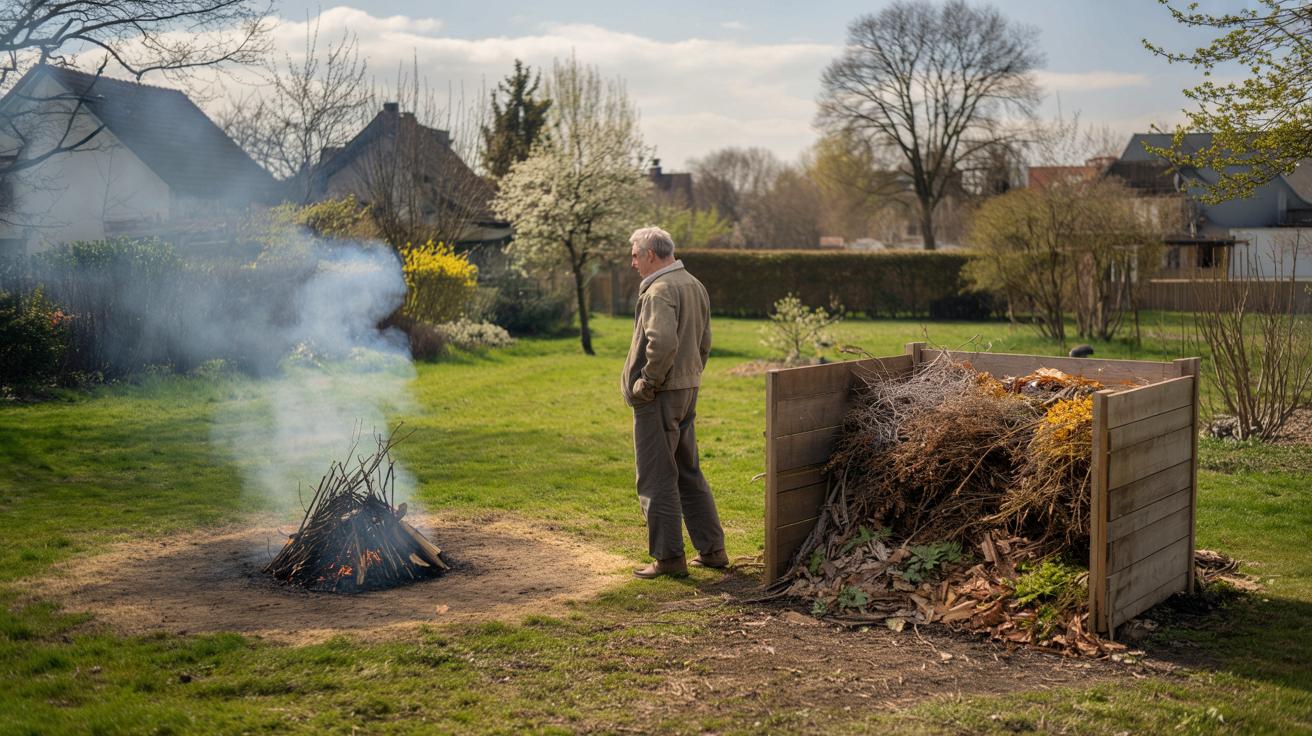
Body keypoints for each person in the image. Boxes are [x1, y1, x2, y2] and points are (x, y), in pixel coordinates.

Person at [621, 226, 728, 579]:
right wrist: (690, 376)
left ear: (651, 254)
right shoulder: (693, 284)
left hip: (660, 395)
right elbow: (705, 341)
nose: (632, 261)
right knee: (687, 470)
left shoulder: (659, 290)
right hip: (686, 389)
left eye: (635, 253)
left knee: (656, 476)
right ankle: (713, 550)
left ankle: (668, 558)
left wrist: (647, 383)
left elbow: (662, 343)